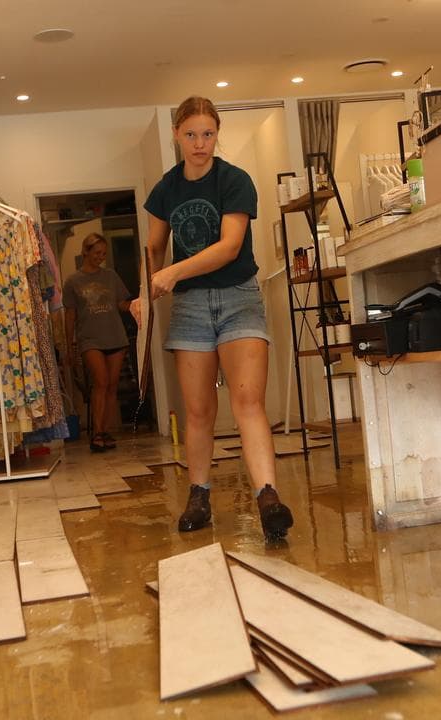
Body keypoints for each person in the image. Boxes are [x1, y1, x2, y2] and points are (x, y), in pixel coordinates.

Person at [133, 96, 294, 541]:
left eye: (208, 134)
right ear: (176, 135)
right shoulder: (166, 189)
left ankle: (268, 498)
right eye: (191, 134)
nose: (200, 143)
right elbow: (153, 253)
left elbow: (229, 246)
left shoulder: (235, 180)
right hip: (189, 308)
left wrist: (171, 273)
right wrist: (146, 294)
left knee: (248, 402)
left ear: (217, 134)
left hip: (239, 296)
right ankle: (198, 497)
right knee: (199, 411)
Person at [63, 233, 132, 453]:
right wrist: (70, 344)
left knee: (112, 385)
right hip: (89, 339)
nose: (100, 257)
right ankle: (96, 433)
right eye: (96, 253)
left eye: (103, 253)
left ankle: (104, 431)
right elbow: (70, 315)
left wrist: (140, 304)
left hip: (115, 336)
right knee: (100, 382)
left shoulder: (111, 276)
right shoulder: (73, 281)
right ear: (86, 252)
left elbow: (122, 303)